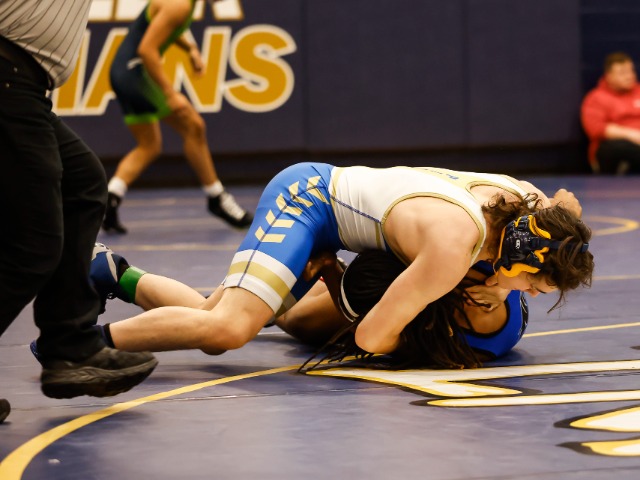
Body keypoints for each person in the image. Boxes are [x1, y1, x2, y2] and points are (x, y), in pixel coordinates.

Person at [73, 163, 594, 362]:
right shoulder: (453, 250)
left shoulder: (527, 206)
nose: (533, 294)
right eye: (535, 285)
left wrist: (504, 286)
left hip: (341, 216)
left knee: (213, 318)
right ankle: (75, 344)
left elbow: (565, 210)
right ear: (521, 255)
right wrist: (429, 341)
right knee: (227, 330)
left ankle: (112, 274)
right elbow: (371, 337)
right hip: (308, 201)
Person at [0, 0, 158, 424]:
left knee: (83, 183)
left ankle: (69, 346)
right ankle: (68, 346)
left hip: (23, 84)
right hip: (7, 76)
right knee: (32, 246)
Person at [74, 244, 529, 372]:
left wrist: (330, 274)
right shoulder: (479, 261)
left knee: (242, 317)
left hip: (371, 309)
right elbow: (558, 204)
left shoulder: (427, 328)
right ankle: (113, 278)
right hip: (377, 290)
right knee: (227, 323)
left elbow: (370, 331)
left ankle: (117, 274)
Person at [104, 0, 253, 234]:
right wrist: (171, 93)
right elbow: (147, 50)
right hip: (136, 74)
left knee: (149, 145)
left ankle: (110, 198)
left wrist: (189, 48)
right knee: (193, 127)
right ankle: (217, 198)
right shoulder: (180, 5)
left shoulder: (181, 5)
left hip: (121, 73)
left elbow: (164, 28)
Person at [581, 51, 640, 174]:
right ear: (609, 76)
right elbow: (596, 129)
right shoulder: (596, 97)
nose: (629, 76)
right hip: (615, 148)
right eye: (622, 73)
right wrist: (633, 135)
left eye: (631, 71)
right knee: (618, 147)